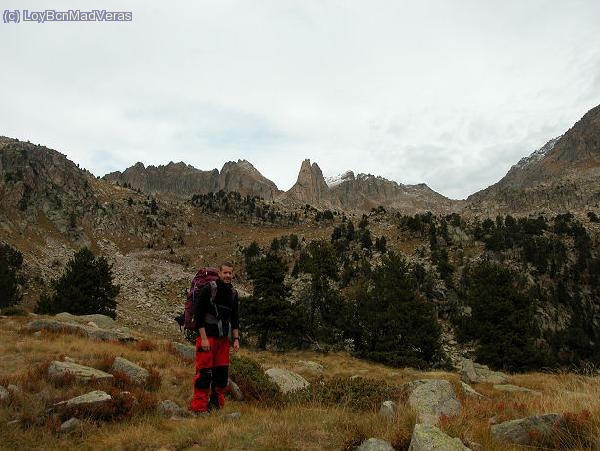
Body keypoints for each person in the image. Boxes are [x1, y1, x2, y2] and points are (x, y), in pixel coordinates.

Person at [190, 262, 240, 413]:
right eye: (225, 273)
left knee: (222, 375)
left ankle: (217, 406)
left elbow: (235, 318)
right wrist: (203, 338)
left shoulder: (233, 293)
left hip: (223, 341)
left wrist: (236, 339)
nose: (228, 276)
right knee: (204, 374)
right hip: (207, 338)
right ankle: (199, 408)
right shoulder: (209, 289)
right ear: (219, 273)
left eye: (230, 273)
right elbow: (199, 314)